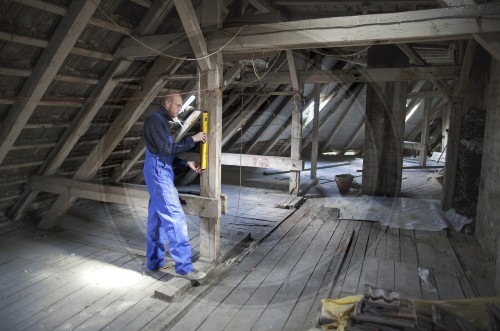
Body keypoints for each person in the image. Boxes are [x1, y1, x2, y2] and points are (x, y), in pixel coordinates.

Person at [143, 93, 207, 280]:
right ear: (167, 102)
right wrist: (192, 140)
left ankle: (153, 262)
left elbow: (167, 154)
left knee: (156, 219)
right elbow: (165, 149)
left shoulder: (162, 122)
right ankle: (185, 267)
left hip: (159, 172)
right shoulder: (155, 120)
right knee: (175, 217)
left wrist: (186, 164)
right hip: (158, 173)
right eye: (178, 106)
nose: (180, 109)